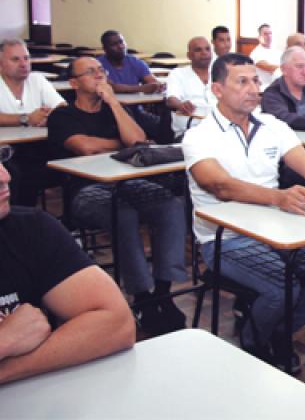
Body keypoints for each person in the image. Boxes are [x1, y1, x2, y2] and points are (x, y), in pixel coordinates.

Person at [182, 53, 305, 368]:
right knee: (280, 289)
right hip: (225, 239)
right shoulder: (199, 136)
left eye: (255, 81)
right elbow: (220, 185)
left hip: (277, 230)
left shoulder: (271, 125)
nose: (253, 89)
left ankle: (278, 332)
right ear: (217, 90)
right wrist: (277, 197)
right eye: (242, 82)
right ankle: (253, 342)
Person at [47, 56, 188, 335]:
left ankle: (163, 289)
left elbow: (137, 141)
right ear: (73, 83)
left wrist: (113, 103)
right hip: (86, 190)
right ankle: (142, 297)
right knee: (123, 215)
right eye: (91, 73)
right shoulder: (62, 116)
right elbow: (84, 147)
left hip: (129, 184)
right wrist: (121, 146)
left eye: (101, 71)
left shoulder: (117, 109)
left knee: (170, 205)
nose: (99, 76)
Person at [0, 150, 134, 385]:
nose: (5, 176)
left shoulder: (31, 229)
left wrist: (7, 369)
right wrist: (5, 340)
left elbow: (117, 324)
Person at [0, 39, 66, 206]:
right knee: (17, 172)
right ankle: (15, 220)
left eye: (26, 58)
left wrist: (49, 116)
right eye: (15, 59)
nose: (23, 64)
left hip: (38, 146)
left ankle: (68, 221)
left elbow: (62, 107)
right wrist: (26, 118)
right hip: (6, 151)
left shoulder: (37, 80)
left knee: (69, 161)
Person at [96, 30, 164, 139]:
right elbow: (113, 87)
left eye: (121, 42)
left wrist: (157, 85)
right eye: (114, 44)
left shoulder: (134, 61)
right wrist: (142, 88)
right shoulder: (99, 65)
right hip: (109, 112)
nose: (120, 46)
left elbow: (152, 81)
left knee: (164, 127)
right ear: (105, 49)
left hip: (136, 110)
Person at [165, 36, 216, 139]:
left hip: (218, 130)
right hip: (190, 132)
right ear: (189, 55)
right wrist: (180, 105)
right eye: (198, 50)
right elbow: (171, 99)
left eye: (207, 49)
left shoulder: (219, 74)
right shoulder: (178, 74)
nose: (204, 53)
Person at [249, 24, 281, 89]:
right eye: (265, 34)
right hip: (264, 88)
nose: (269, 36)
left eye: (270, 33)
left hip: (278, 85)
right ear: (259, 37)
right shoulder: (256, 53)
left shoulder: (278, 51)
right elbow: (269, 67)